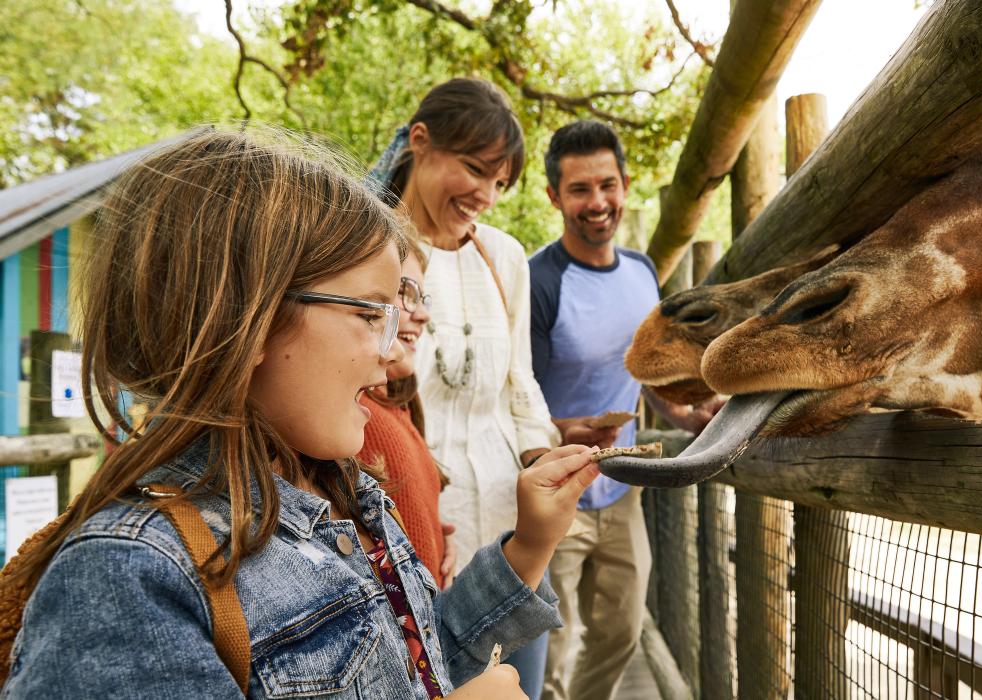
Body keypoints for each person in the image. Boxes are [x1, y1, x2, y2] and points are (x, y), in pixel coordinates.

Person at [1, 129, 599, 699]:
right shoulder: (128, 578)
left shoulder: (349, 493)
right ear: (249, 320)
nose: (390, 349)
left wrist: (529, 545)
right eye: (370, 314)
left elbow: (413, 664)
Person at [366, 77, 560, 698]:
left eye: (500, 183)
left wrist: (545, 459)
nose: (486, 195)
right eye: (475, 169)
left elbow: (519, 381)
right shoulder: (367, 252)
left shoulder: (505, 257)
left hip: (510, 531)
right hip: (418, 530)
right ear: (420, 141)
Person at [529, 120, 718, 700]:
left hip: (621, 487)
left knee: (622, 633)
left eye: (607, 185)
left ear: (625, 186)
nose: (597, 202)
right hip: (555, 492)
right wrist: (562, 430)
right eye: (579, 189)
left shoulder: (641, 273)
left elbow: (645, 372)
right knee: (549, 652)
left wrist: (686, 416)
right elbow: (515, 398)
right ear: (554, 196)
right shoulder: (538, 281)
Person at [358, 243, 456, 586]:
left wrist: (434, 536)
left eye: (421, 298)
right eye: (403, 291)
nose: (423, 314)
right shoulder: (363, 418)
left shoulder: (394, 405)